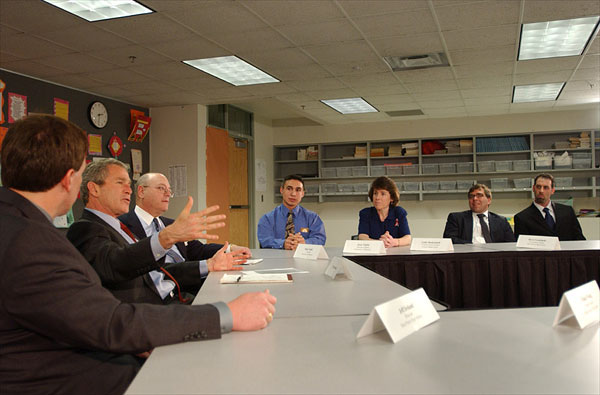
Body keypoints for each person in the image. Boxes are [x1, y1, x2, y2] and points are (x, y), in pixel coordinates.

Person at [0, 115, 276, 394]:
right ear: (69, 179)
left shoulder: (16, 223)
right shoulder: (31, 242)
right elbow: (109, 323)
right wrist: (225, 314)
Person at [67, 158, 245, 304]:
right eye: (120, 183)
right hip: (152, 312)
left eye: (129, 184)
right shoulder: (84, 228)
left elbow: (161, 272)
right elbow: (116, 264)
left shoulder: (119, 228)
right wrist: (166, 238)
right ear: (94, 188)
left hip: (175, 299)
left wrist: (209, 265)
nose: (129, 190)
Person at [119, 172, 252, 293]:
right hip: (169, 291)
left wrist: (231, 248)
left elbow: (198, 250)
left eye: (169, 191)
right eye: (161, 188)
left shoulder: (171, 224)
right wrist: (207, 265)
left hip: (195, 281)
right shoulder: (122, 226)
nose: (167, 194)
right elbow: (150, 270)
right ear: (141, 191)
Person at [257, 174, 326, 249]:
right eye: (289, 189)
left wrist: (305, 243)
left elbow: (320, 239)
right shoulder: (267, 219)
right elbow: (264, 240)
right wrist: (283, 244)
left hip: (304, 259)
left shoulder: (312, 218)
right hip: (276, 259)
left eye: (298, 190)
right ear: (281, 190)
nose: (293, 194)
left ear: (303, 193)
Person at [514, 173, 585, 241]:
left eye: (545, 187)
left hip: (566, 252)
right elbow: (522, 248)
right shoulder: (522, 218)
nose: (541, 191)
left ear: (552, 190)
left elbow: (579, 238)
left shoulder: (567, 212)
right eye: (538, 187)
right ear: (533, 188)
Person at [443, 183, 515, 244]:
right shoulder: (456, 218)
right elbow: (449, 241)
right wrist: (475, 246)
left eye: (479, 195)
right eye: (471, 196)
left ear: (489, 200)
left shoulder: (501, 221)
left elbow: (511, 244)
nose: (474, 199)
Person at [358, 176, 411, 247]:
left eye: (383, 194)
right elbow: (362, 237)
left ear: (391, 198)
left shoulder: (399, 212)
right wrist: (380, 243)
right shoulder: (365, 213)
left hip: (395, 254)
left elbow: (407, 238)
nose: (377, 198)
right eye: (375, 193)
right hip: (373, 254)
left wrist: (393, 242)